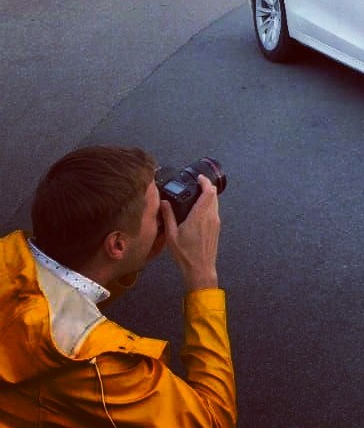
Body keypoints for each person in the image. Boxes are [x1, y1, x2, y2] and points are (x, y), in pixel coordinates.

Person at [0, 146, 236, 426]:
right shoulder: (98, 364)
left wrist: (137, 251)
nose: (164, 211)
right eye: (155, 213)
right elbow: (213, 421)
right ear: (117, 245)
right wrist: (202, 277)